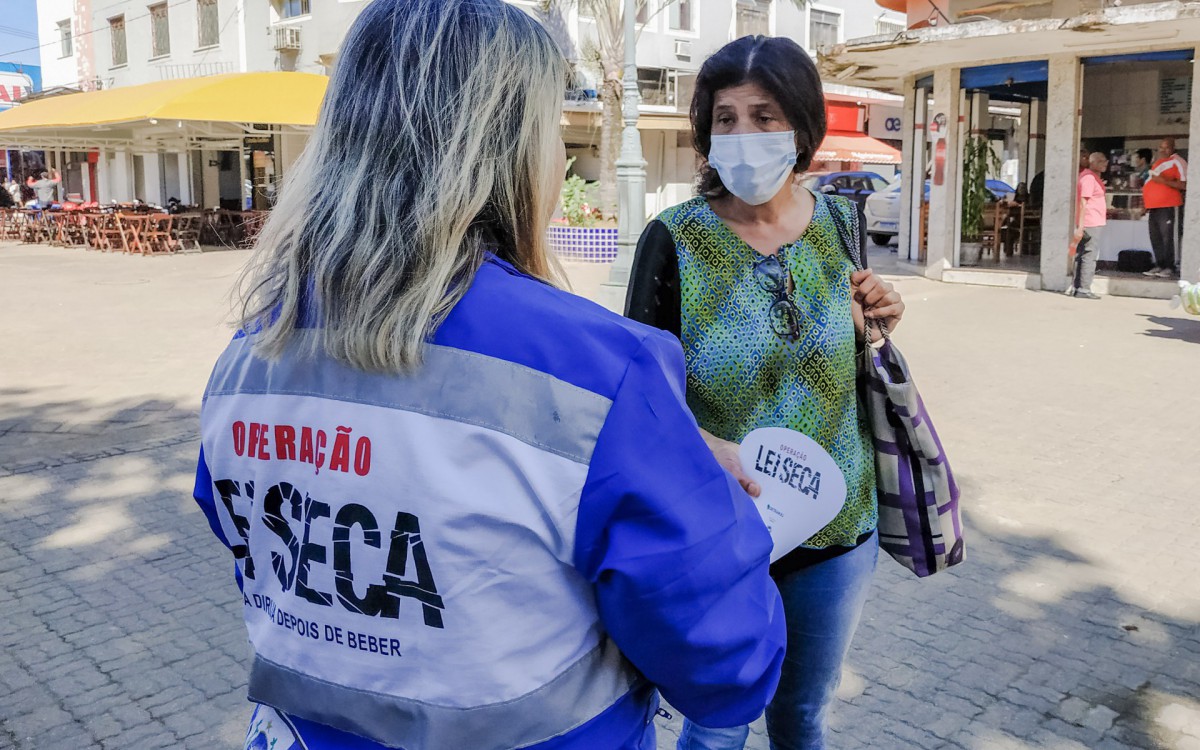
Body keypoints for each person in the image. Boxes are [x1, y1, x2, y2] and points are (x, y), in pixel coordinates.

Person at [192, 2, 786, 750]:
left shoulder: (248, 354)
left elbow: (247, 532)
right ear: (516, 146)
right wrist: (698, 488)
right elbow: (725, 661)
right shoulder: (602, 373)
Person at [625, 35, 906, 750]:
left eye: (766, 115)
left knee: (802, 719)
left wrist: (876, 318)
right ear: (705, 132)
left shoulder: (839, 224)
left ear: (803, 127)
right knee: (717, 723)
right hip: (722, 531)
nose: (745, 135)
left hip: (835, 530)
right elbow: (638, 397)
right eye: (727, 119)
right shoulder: (673, 239)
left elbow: (845, 350)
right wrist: (699, 443)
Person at [1142, 137, 1187, 278]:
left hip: (1169, 206)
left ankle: (1170, 266)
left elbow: (1184, 185)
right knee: (1156, 237)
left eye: (1166, 147)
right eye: (1161, 147)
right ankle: (1160, 265)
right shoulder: (1160, 162)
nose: (1162, 150)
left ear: (1173, 148)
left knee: (1169, 238)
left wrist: (1163, 181)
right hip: (1154, 207)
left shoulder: (1178, 161)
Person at [1072, 152, 1109, 300]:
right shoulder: (1088, 178)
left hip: (1091, 221)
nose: (1104, 163)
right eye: (1100, 161)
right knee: (1089, 255)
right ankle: (1084, 288)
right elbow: (1083, 202)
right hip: (1090, 222)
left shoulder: (1091, 177)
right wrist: (1081, 226)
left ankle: (1079, 287)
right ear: (1092, 163)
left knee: (1083, 254)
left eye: (1105, 160)